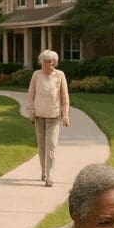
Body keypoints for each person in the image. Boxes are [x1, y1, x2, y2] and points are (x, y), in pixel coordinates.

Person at [27, 49, 69, 187]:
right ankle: (43, 171)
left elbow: (64, 96)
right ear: (41, 62)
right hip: (39, 116)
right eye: (45, 61)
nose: (47, 64)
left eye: (50, 61)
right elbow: (31, 93)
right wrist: (31, 110)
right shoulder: (36, 75)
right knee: (41, 146)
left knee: (51, 146)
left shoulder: (60, 75)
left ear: (54, 63)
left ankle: (50, 176)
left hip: (54, 116)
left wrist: (66, 114)